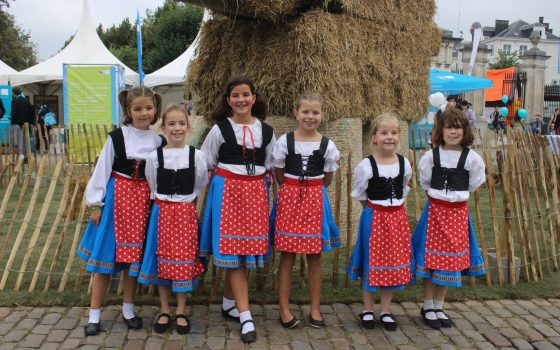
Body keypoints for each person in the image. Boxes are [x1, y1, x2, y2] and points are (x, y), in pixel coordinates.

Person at [76, 86, 164, 336]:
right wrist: (95, 204)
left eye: (148, 108)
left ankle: (128, 309)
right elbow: (102, 169)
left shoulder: (159, 140)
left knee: (132, 262)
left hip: (143, 205)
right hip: (117, 201)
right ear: (128, 110)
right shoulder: (117, 137)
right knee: (105, 258)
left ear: (155, 108)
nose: (144, 113)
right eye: (137, 109)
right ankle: (94, 315)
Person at [200, 76, 276, 343]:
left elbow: (270, 164)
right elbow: (206, 163)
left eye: (246, 94)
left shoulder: (267, 131)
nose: (241, 100)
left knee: (246, 251)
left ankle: (228, 302)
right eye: (235, 95)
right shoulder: (219, 130)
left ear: (254, 98)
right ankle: (245, 316)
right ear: (228, 100)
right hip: (227, 193)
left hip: (255, 193)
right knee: (233, 251)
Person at [134, 104, 208, 334]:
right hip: (162, 213)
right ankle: (165, 309)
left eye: (181, 123)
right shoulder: (154, 157)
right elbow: (152, 184)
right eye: (171, 124)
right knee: (162, 261)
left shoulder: (197, 156)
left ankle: (181, 310)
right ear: (163, 127)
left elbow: (200, 183)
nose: (177, 128)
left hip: (185, 214)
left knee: (183, 261)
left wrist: (185, 204)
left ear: (188, 126)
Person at [270, 93, 341, 329]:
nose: (310, 117)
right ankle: (284, 309)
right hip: (290, 199)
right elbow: (280, 174)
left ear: (321, 115)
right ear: (296, 113)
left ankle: (315, 309)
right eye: (306, 112)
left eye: (315, 112)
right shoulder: (284, 142)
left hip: (314, 200)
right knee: (287, 256)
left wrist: (310, 191)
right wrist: (293, 189)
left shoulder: (327, 145)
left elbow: (327, 178)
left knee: (315, 256)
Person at [412, 108, 486, 330]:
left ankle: (438, 305)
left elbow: (473, 184)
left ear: (465, 131)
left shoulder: (472, 158)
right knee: (430, 260)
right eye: (449, 127)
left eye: (458, 127)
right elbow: (425, 183)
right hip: (435, 213)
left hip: (457, 215)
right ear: (440, 130)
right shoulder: (431, 156)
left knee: (450, 259)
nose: (453, 132)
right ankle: (426, 305)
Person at [346, 112, 413, 331]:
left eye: (393, 133)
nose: (389, 137)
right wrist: (375, 212)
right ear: (374, 137)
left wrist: (393, 211)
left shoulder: (404, 164)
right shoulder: (366, 166)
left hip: (397, 220)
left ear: (399, 136)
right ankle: (367, 309)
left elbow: (405, 188)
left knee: (392, 262)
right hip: (374, 218)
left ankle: (385, 310)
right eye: (383, 133)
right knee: (371, 260)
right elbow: (361, 194)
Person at [10, 86, 35, 159]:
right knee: (25, 140)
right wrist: (31, 122)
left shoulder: (15, 101)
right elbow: (32, 112)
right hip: (26, 124)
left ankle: (20, 157)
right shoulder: (26, 100)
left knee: (18, 141)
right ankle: (26, 156)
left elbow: (13, 113)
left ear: (13, 93)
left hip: (17, 124)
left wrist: (12, 123)